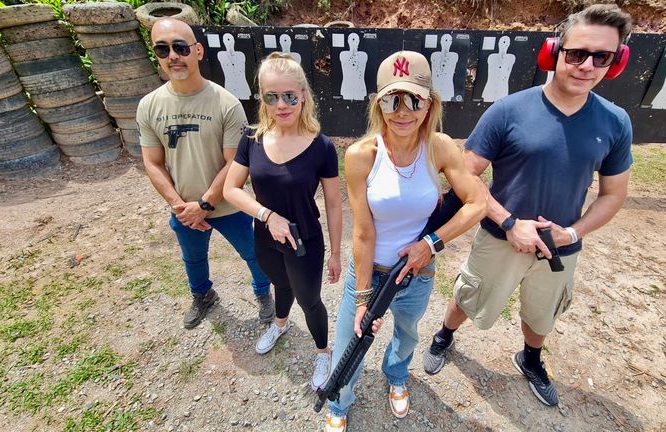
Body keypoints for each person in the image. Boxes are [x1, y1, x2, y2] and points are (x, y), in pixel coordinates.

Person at [422, 4, 634, 408]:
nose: (586, 65)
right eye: (576, 54)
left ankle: (531, 357)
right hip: (500, 237)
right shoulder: (508, 110)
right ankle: (444, 336)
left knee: (542, 312)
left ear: (616, 62)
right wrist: (509, 222)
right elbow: (465, 178)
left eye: (601, 57)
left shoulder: (616, 122)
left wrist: (572, 233)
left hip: (561, 246)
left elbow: (613, 194)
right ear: (554, 52)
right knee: (471, 294)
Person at [324, 51, 485, 432]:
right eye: (392, 99)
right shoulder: (361, 155)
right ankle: (340, 399)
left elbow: (477, 203)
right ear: (378, 103)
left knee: (407, 333)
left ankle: (397, 376)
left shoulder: (441, 147)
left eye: (414, 99)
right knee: (351, 339)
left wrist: (430, 243)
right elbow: (362, 232)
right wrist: (363, 297)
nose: (403, 111)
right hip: (369, 273)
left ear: (429, 103)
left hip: (418, 273)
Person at [137, 18, 274, 330]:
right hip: (183, 209)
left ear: (197, 51)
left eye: (180, 47)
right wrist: (180, 206)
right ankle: (202, 295)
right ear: (155, 54)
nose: (173, 55)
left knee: (255, 256)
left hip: (226, 205)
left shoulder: (226, 104)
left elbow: (235, 163)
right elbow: (152, 162)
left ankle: (263, 293)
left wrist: (205, 203)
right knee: (193, 260)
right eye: (162, 48)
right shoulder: (148, 106)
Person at [223, 52, 342, 391]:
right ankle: (280, 323)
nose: (282, 105)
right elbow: (231, 189)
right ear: (262, 98)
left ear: (304, 94)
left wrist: (335, 252)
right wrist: (268, 216)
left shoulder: (322, 147)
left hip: (305, 239)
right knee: (280, 284)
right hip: (266, 235)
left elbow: (334, 204)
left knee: (309, 300)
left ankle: (322, 350)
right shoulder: (252, 138)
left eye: (290, 95)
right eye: (271, 96)